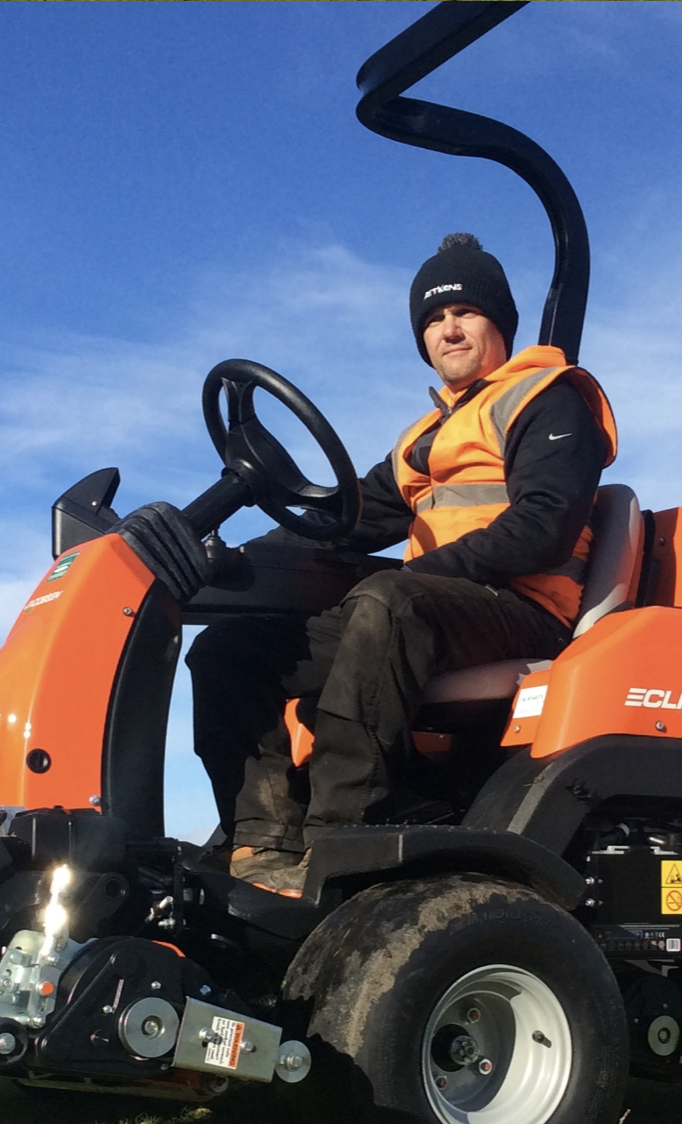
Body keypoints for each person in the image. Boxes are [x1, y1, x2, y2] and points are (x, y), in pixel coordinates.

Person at [184, 233, 617, 893]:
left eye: (465, 312)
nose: (449, 329)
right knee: (229, 650)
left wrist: (420, 576)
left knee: (386, 599)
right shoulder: (423, 437)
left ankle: (338, 840)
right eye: (434, 320)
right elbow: (343, 524)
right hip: (429, 611)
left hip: (522, 610)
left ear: (498, 322)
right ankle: (262, 843)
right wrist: (232, 561)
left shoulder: (548, 399)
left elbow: (542, 530)